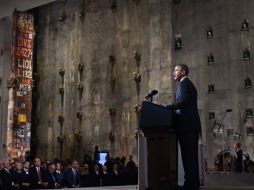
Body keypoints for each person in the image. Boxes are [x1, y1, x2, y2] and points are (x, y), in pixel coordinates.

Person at [167, 64, 201, 190]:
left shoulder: (184, 84)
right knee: (190, 157)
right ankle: (192, 183)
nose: (173, 72)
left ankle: (190, 184)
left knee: (189, 157)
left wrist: (167, 107)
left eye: (176, 70)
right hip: (190, 126)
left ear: (183, 71)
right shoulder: (186, 84)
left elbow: (182, 103)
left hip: (187, 126)